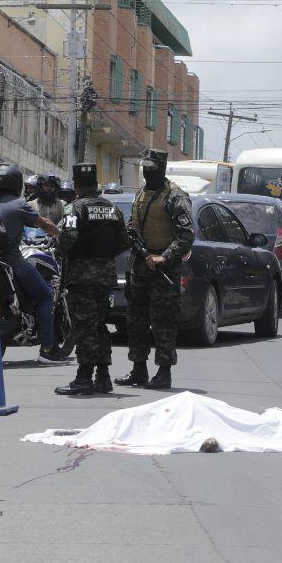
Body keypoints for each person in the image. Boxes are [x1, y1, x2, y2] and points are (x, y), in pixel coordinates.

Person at [115, 148, 194, 390]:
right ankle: (139, 369)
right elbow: (133, 226)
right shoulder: (141, 194)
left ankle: (163, 372)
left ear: (161, 169)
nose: (147, 172)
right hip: (139, 267)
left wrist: (164, 257)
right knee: (135, 320)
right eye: (145, 168)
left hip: (164, 272)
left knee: (163, 322)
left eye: (152, 168)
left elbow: (186, 235)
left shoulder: (175, 196)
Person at [0, 162, 68, 365]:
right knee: (45, 296)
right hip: (11, 260)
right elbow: (45, 224)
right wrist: (60, 235)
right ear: (16, 182)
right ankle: (48, 349)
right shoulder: (19, 204)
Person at [54, 163, 130, 395]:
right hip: (105, 276)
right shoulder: (113, 209)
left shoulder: (73, 209)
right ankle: (103, 377)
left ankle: (84, 378)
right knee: (99, 325)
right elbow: (124, 242)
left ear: (76, 186)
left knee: (84, 327)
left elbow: (68, 238)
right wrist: (104, 257)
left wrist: (59, 250)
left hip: (81, 277)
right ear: (96, 185)